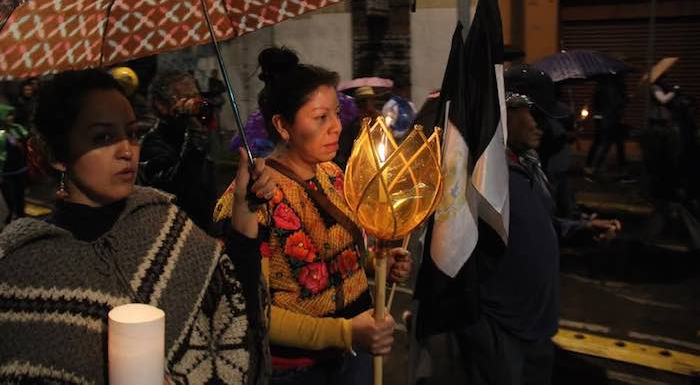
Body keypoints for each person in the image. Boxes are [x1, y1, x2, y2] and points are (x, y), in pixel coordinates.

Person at [0, 69, 273, 384]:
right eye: (103, 137)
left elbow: (236, 307)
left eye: (131, 133)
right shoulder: (24, 265)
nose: (127, 151)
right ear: (59, 154)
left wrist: (244, 208)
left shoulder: (165, 224)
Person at [215, 47, 410, 385]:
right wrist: (345, 332)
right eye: (320, 118)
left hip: (355, 356)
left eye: (336, 113)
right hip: (298, 371)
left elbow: (330, 259)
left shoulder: (332, 174)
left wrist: (375, 264)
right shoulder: (247, 201)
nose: (336, 127)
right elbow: (252, 309)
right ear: (283, 125)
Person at [452, 69, 622, 385]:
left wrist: (581, 228)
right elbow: (452, 258)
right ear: (507, 111)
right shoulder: (481, 176)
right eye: (535, 113)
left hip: (538, 329)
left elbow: (542, 224)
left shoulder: (528, 166)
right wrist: (481, 333)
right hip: (503, 334)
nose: (543, 125)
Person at [139, 70, 218, 233]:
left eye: (195, 95)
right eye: (185, 97)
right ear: (160, 105)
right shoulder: (152, 144)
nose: (194, 103)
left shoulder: (191, 134)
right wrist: (195, 135)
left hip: (205, 229)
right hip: (175, 232)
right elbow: (178, 188)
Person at [585, 75, 627, 175]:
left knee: (603, 143)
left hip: (603, 117)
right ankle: (595, 168)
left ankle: (592, 166)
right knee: (607, 144)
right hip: (610, 118)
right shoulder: (613, 87)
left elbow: (596, 102)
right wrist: (624, 100)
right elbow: (615, 104)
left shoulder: (601, 86)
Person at [0, 104, 29, 222]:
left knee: (20, 197)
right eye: (8, 115)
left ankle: (22, 220)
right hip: (6, 172)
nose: (11, 118)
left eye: (11, 115)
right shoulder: (1, 134)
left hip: (20, 169)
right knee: (9, 201)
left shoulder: (16, 128)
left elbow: (28, 138)